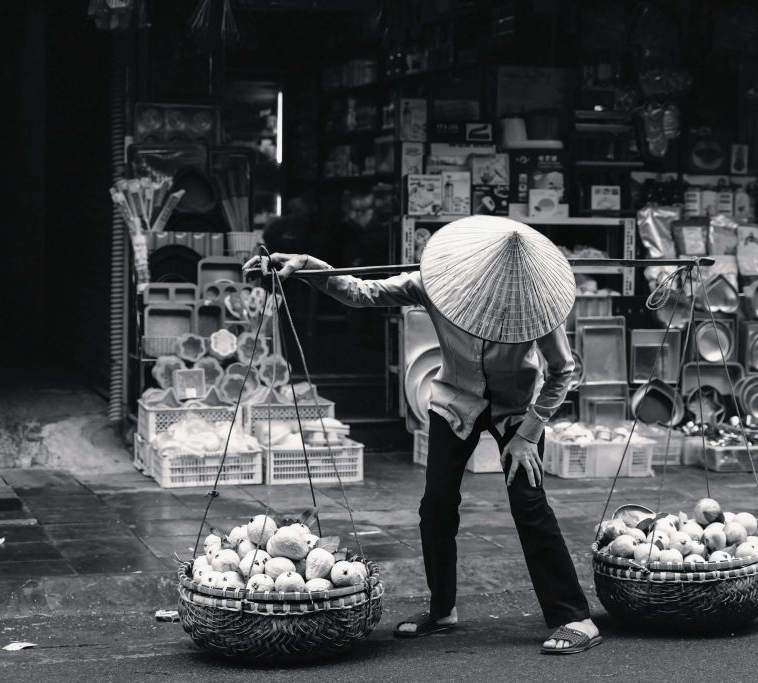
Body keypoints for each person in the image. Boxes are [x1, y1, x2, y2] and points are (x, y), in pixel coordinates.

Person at [244, 216, 601, 655]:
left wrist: (529, 432)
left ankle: (574, 617)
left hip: (516, 413)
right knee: (435, 507)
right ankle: (442, 609)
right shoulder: (437, 284)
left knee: (529, 507)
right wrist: (308, 265)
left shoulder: (533, 302)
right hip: (453, 402)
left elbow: (562, 371)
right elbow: (361, 292)